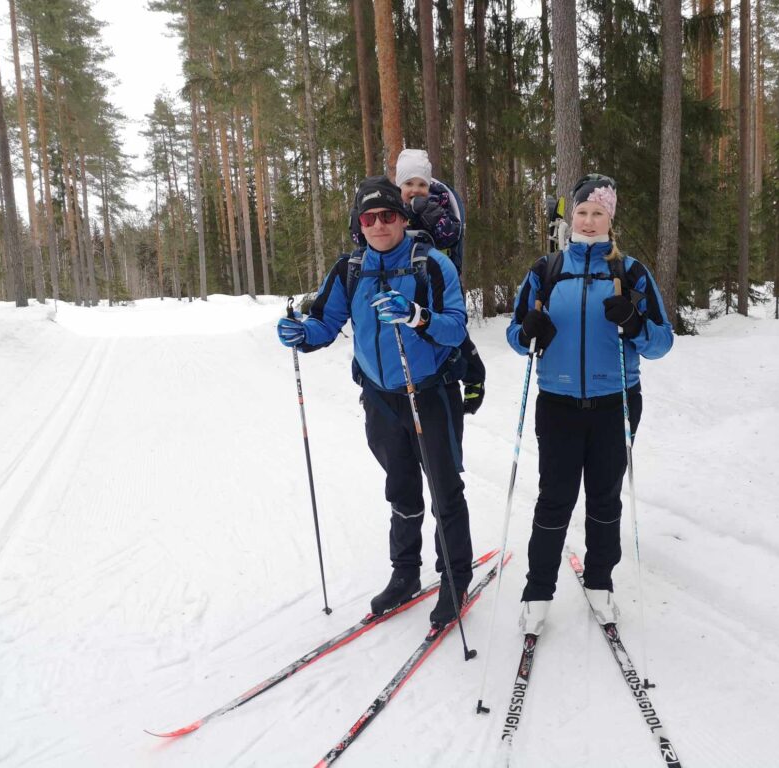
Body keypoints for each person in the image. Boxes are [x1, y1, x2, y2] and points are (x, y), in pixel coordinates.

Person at [278, 175, 474, 628]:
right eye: (370, 218)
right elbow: (325, 323)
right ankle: (405, 572)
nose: (380, 225)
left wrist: (415, 316)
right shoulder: (350, 269)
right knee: (400, 487)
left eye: (388, 215)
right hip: (380, 397)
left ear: (403, 218)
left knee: (445, 487)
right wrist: (300, 335)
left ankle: (454, 577)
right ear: (359, 224)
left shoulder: (432, 264)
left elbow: (455, 328)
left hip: (429, 392)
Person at [506, 174, 674, 635]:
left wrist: (634, 322)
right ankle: (537, 592)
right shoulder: (547, 269)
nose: (589, 219)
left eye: (598, 212)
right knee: (554, 501)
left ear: (610, 218)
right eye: (582, 211)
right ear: (571, 218)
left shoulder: (631, 272)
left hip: (614, 402)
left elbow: (661, 343)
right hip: (557, 404)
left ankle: (600, 583)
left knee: (604, 499)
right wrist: (528, 331)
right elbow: (515, 338)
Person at [392, 148, 486, 417]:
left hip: (437, 279)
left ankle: (474, 376)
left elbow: (450, 235)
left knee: (452, 332)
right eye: (409, 184)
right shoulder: (391, 208)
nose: (415, 190)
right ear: (399, 185)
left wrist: (429, 211)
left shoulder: (439, 203)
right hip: (402, 280)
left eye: (421, 184)